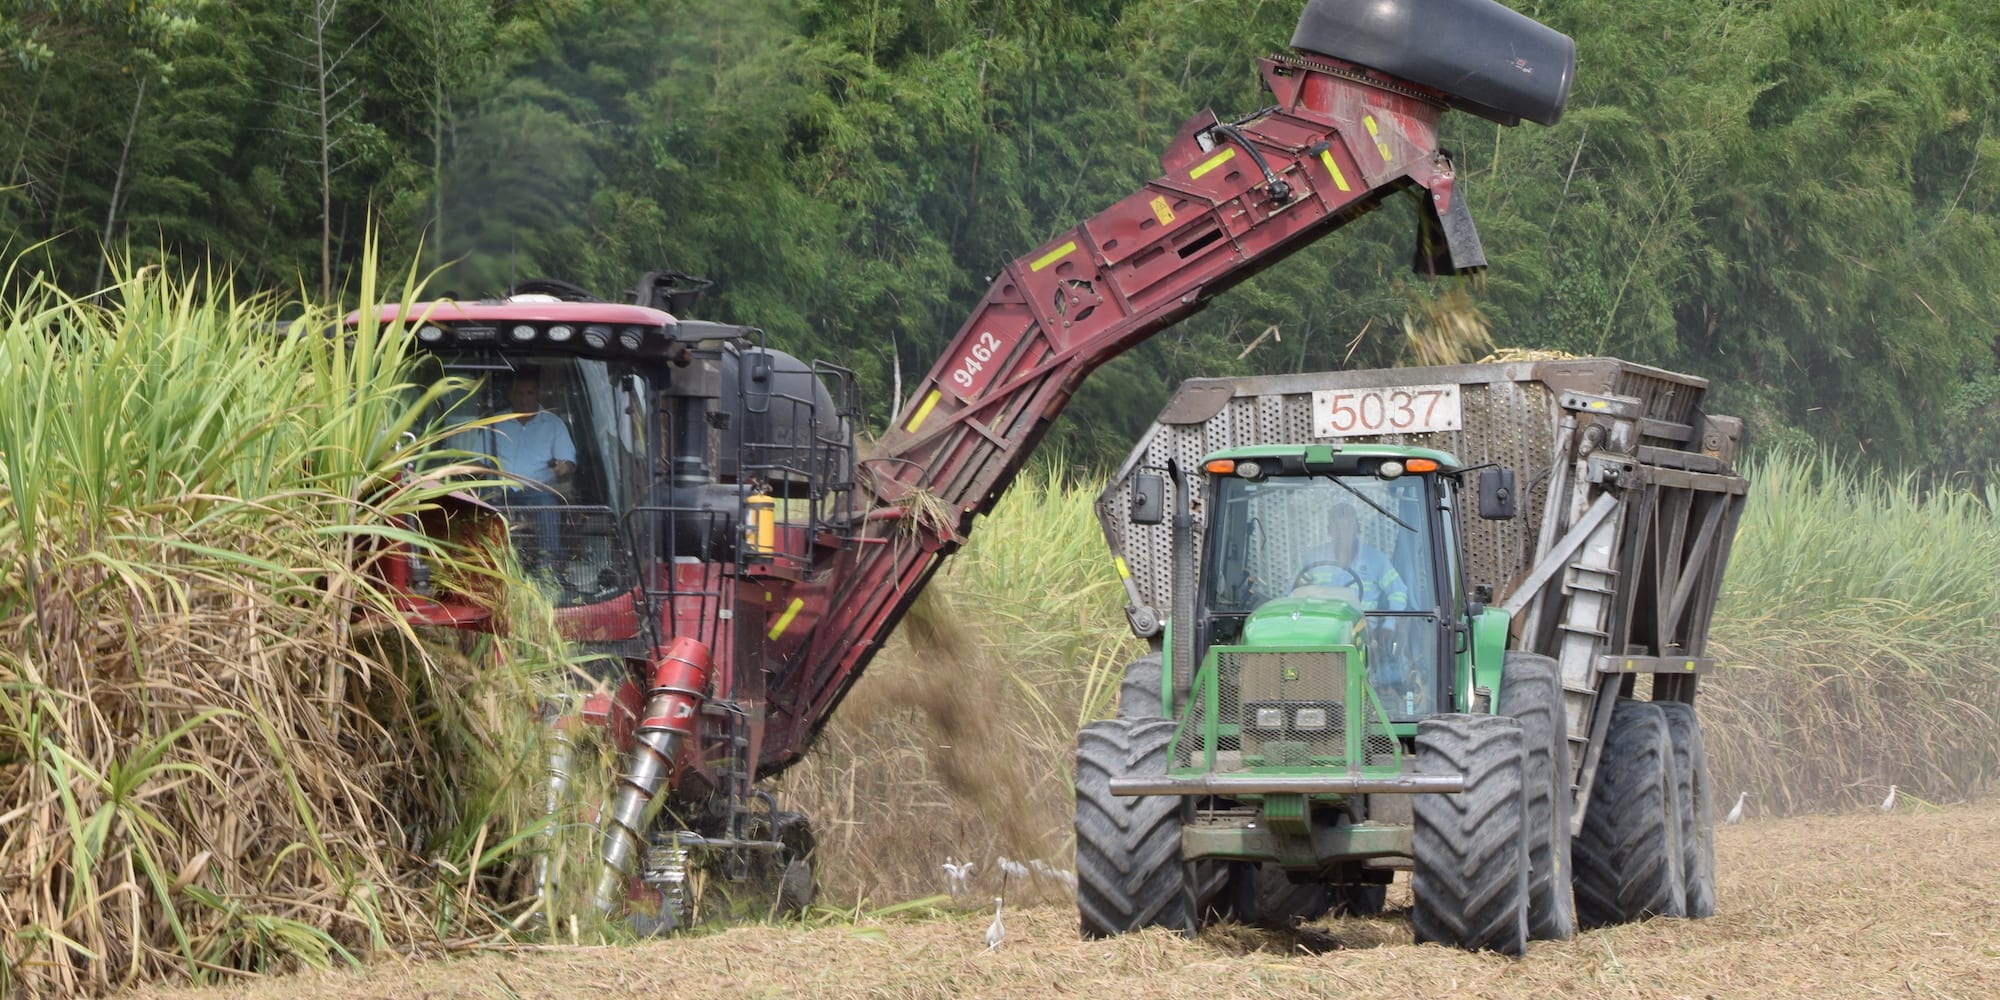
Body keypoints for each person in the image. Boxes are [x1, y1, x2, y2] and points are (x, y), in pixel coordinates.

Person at [453, 369, 576, 557]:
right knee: (478, 503)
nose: (524, 398)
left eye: (529, 393)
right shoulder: (496, 422)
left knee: (547, 503)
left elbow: (568, 462)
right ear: (511, 394)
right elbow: (477, 461)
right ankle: (478, 561)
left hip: (537, 490)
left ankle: (549, 567)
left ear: (538, 394)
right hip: (498, 490)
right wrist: (477, 471)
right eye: (519, 393)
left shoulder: (553, 424)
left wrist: (563, 468)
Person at [1293, 502, 1409, 611]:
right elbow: (1293, 592)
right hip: (1323, 625)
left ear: (1357, 529)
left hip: (1364, 626)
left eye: (1347, 528)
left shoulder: (1377, 560)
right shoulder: (1313, 559)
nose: (1342, 534)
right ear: (1329, 531)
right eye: (1337, 529)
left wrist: (1390, 625)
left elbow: (1398, 591)